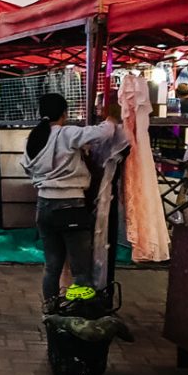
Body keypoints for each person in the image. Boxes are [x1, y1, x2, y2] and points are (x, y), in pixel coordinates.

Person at [20, 93, 119, 311]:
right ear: (64, 113)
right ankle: (79, 313)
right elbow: (105, 132)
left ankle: (51, 310)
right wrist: (111, 117)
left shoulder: (33, 138)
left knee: (52, 266)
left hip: (43, 206)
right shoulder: (67, 133)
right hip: (70, 207)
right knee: (80, 269)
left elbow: (26, 167)